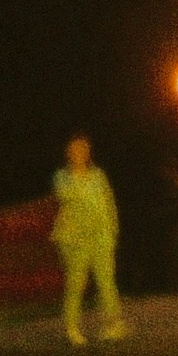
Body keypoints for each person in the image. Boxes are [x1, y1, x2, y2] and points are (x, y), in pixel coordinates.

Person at [51, 136, 126, 344]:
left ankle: (114, 324)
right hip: (74, 238)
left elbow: (108, 202)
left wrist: (112, 230)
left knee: (106, 281)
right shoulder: (62, 177)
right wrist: (77, 178)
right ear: (68, 153)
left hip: (101, 236)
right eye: (74, 150)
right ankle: (72, 327)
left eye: (83, 150)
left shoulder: (98, 175)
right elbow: (65, 196)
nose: (79, 154)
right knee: (77, 282)